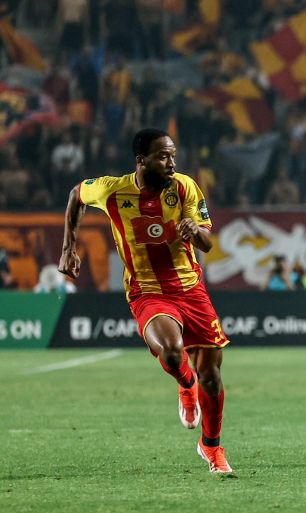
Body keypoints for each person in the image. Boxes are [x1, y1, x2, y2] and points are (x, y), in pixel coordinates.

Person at [58, 128, 233, 474]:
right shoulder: (112, 190)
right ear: (142, 161)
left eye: (173, 155)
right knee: (172, 351)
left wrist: (193, 232)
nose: (171, 162)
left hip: (190, 289)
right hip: (148, 290)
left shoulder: (184, 187)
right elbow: (77, 194)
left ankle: (211, 447)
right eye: (163, 156)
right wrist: (69, 247)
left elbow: (207, 242)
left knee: (212, 375)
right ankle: (186, 384)